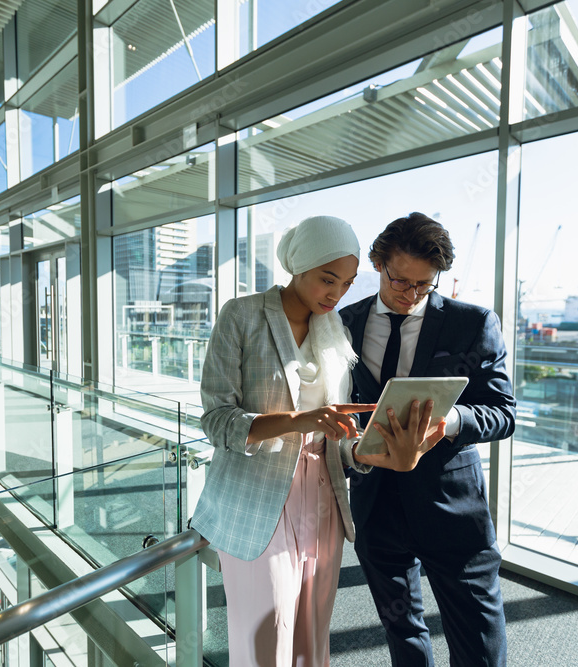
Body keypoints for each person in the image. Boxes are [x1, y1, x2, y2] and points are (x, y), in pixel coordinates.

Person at [191, 215, 442, 667]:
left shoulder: (335, 333)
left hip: (323, 499)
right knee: (265, 641)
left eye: (346, 284)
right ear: (299, 266)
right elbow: (216, 421)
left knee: (310, 638)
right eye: (328, 279)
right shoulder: (242, 315)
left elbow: (336, 436)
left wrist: (377, 451)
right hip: (255, 500)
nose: (337, 293)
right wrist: (298, 419)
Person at [339, 212, 516, 667]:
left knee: (477, 633)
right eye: (400, 281)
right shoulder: (344, 324)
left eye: (424, 285)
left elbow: (503, 413)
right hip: (376, 503)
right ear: (378, 264)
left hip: (450, 507)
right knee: (402, 629)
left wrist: (452, 420)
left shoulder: (472, 324)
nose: (410, 294)